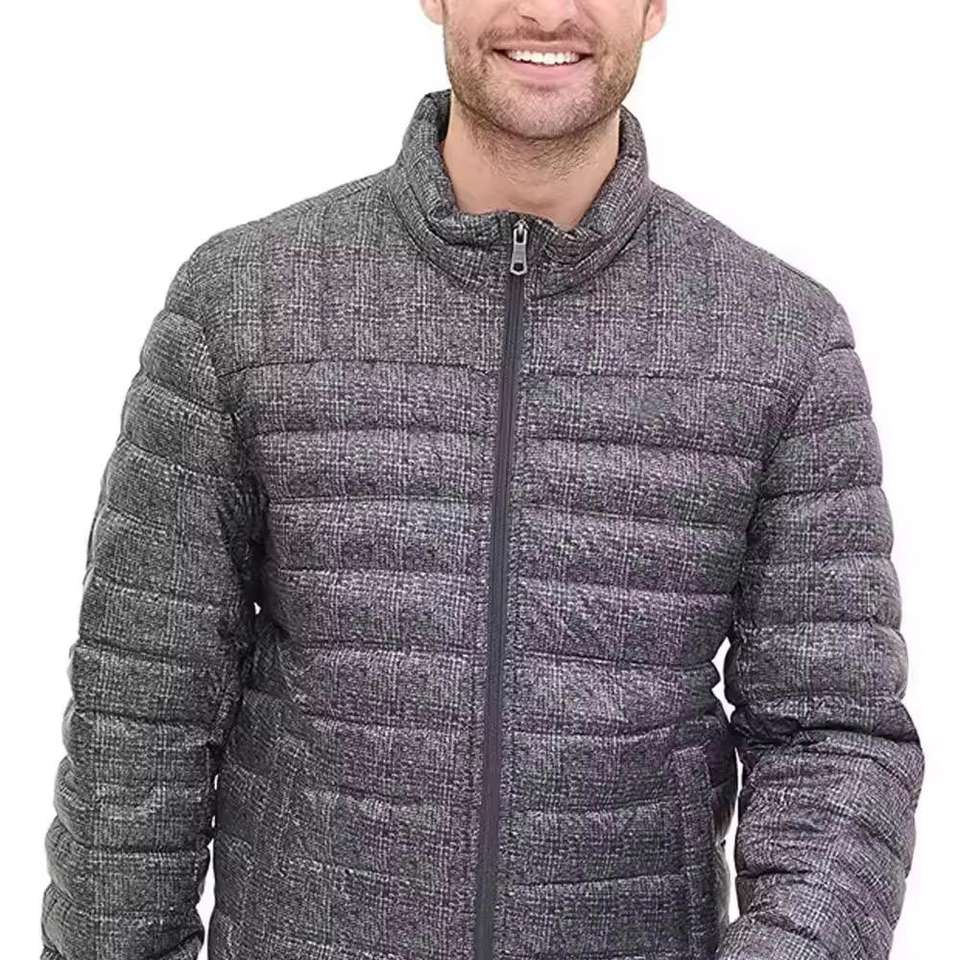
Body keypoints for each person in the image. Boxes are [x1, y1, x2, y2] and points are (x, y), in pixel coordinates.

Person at [39, 2, 925, 959]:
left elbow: (833, 736)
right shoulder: (243, 305)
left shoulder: (780, 341)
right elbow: (143, 705)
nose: (548, 11)